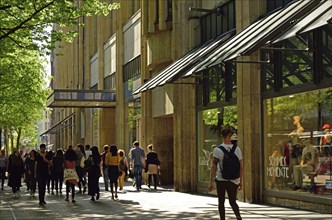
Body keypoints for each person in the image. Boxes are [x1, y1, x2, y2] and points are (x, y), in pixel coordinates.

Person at [209, 128, 243, 220]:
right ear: (230, 136)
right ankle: (238, 216)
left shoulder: (217, 150)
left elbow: (214, 166)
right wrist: (240, 181)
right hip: (233, 180)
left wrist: (211, 182)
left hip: (221, 179)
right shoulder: (237, 149)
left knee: (221, 202)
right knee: (232, 201)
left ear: (222, 136)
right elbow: (241, 166)